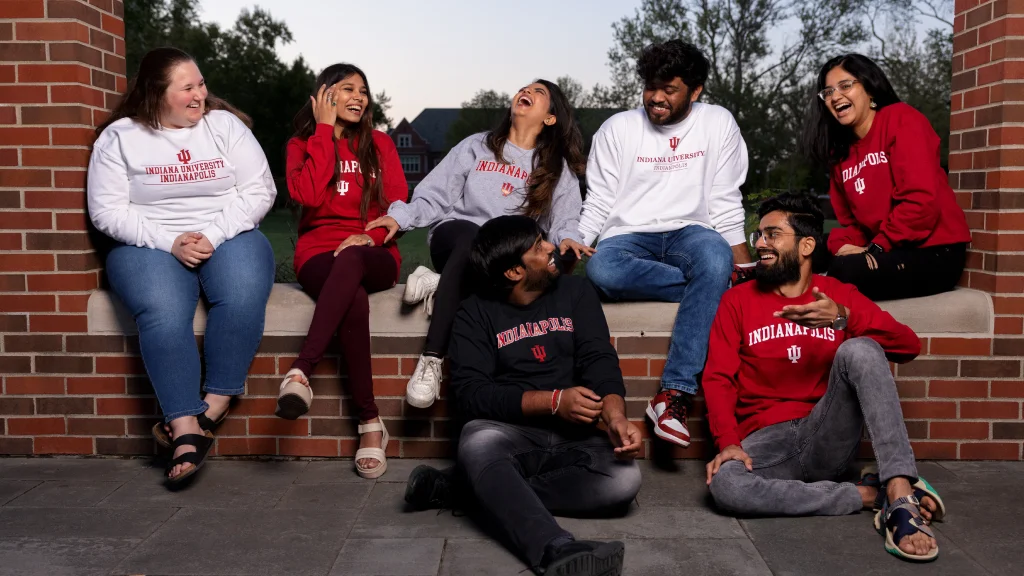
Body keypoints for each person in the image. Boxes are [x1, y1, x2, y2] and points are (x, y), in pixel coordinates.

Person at [703, 193, 947, 562]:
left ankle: (899, 490)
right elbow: (718, 377)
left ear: (806, 245)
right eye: (759, 235)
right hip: (767, 442)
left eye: (772, 235)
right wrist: (728, 442)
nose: (760, 245)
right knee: (726, 486)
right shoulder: (738, 301)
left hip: (827, 431)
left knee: (860, 348)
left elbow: (908, 345)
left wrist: (843, 318)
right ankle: (869, 496)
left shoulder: (836, 295)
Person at [403, 216, 642, 576]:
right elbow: (471, 395)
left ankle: (468, 490)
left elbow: (599, 360)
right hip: (509, 433)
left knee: (625, 480)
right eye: (537, 247)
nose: (550, 247)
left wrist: (616, 418)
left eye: (543, 239)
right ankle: (554, 549)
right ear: (514, 272)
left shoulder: (576, 293)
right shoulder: (474, 313)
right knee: (477, 443)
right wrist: (553, 401)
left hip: (575, 436)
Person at [87, 47, 275, 484]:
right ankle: (185, 426)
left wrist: (211, 235)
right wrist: (168, 242)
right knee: (163, 310)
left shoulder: (223, 126)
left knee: (244, 290)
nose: (200, 95)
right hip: (146, 242)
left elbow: (260, 191)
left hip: (227, 232)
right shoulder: (120, 137)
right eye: (187, 88)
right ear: (157, 94)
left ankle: (216, 401)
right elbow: (106, 211)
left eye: (201, 84)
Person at [365, 80, 590, 410]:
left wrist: (570, 240)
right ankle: (431, 358)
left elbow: (566, 222)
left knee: (519, 271)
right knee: (472, 238)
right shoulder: (476, 147)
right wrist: (401, 217)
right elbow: (434, 195)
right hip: (457, 239)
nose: (526, 91)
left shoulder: (556, 169)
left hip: (505, 260)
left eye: (539, 92)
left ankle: (443, 283)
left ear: (551, 118)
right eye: (525, 88)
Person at [580, 39, 752, 449]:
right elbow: (600, 199)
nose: (656, 97)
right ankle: (710, 287)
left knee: (715, 255)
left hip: (691, 232)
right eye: (650, 86)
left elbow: (726, 199)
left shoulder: (717, 123)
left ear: (695, 91)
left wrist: (742, 268)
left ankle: (673, 395)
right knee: (601, 269)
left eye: (669, 89)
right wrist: (577, 239)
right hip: (628, 236)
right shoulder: (618, 129)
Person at [275, 63, 407, 479]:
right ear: (323, 96)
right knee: (351, 298)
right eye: (347, 88)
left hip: (374, 250)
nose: (359, 97)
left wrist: (373, 237)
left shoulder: (380, 144)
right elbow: (309, 195)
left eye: (363, 90)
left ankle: (302, 370)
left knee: (350, 259)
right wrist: (323, 132)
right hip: (317, 252)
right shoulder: (301, 145)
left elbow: (399, 206)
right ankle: (371, 424)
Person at [803, 53, 971, 300]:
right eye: (827, 92)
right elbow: (851, 224)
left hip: (934, 251)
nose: (835, 96)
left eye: (845, 86)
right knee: (801, 252)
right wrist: (842, 246)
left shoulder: (902, 120)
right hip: (884, 246)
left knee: (846, 271)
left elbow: (920, 202)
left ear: (870, 88)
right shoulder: (840, 153)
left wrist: (875, 249)